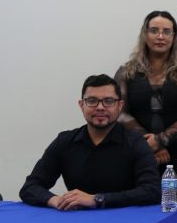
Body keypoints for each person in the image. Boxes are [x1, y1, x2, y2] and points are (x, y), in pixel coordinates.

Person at [20, 74, 160, 209]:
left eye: (108, 101)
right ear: (82, 105)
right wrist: (56, 201)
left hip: (125, 221)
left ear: (120, 105)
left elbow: (152, 191)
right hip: (77, 221)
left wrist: (96, 200)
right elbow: (30, 187)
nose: (100, 107)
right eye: (92, 101)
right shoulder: (64, 142)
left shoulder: (136, 143)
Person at [115, 10, 177, 193]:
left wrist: (161, 140)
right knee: (138, 201)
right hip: (137, 151)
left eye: (166, 31)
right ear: (145, 34)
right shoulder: (125, 72)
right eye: (154, 30)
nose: (160, 36)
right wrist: (150, 144)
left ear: (174, 36)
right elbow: (120, 112)